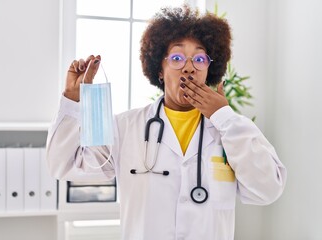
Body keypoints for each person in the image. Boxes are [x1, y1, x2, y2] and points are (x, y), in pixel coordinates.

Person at [46, 5, 287, 240]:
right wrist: (72, 100)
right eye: (177, 57)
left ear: (209, 70)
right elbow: (63, 165)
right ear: (159, 69)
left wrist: (224, 116)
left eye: (200, 59)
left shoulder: (231, 128)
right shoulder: (126, 127)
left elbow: (268, 189)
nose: (189, 68)